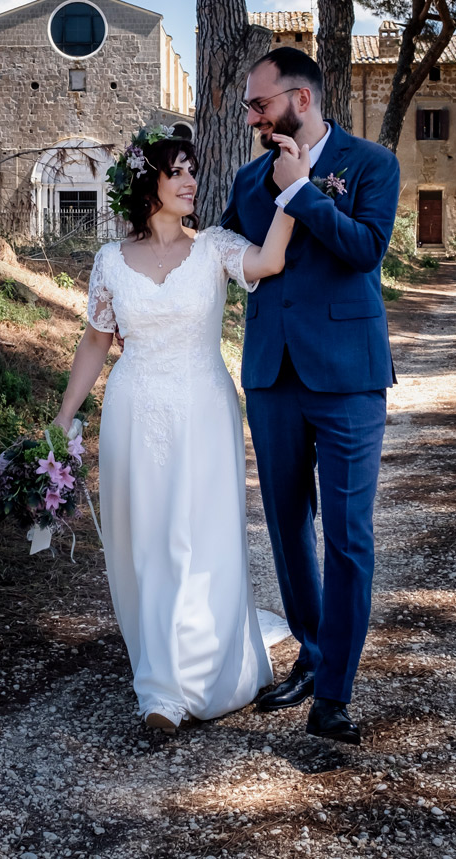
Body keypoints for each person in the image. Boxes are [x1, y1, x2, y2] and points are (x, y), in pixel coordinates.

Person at [52, 137, 298, 735]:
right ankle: (161, 689)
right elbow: (95, 342)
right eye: (177, 172)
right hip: (134, 410)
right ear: (148, 185)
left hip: (205, 408)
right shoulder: (110, 258)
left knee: (201, 538)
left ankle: (210, 666)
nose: (190, 182)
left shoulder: (214, 246)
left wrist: (294, 190)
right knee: (150, 542)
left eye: (194, 172)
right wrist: (64, 416)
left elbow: (269, 263)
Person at [220, 47, 401, 746]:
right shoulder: (245, 177)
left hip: (349, 376)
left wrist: (302, 193)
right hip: (272, 373)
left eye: (259, 104)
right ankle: (311, 649)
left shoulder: (370, 165)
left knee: (348, 537)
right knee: (288, 523)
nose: (251, 117)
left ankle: (334, 693)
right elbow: (235, 253)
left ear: (300, 99)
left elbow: (365, 248)